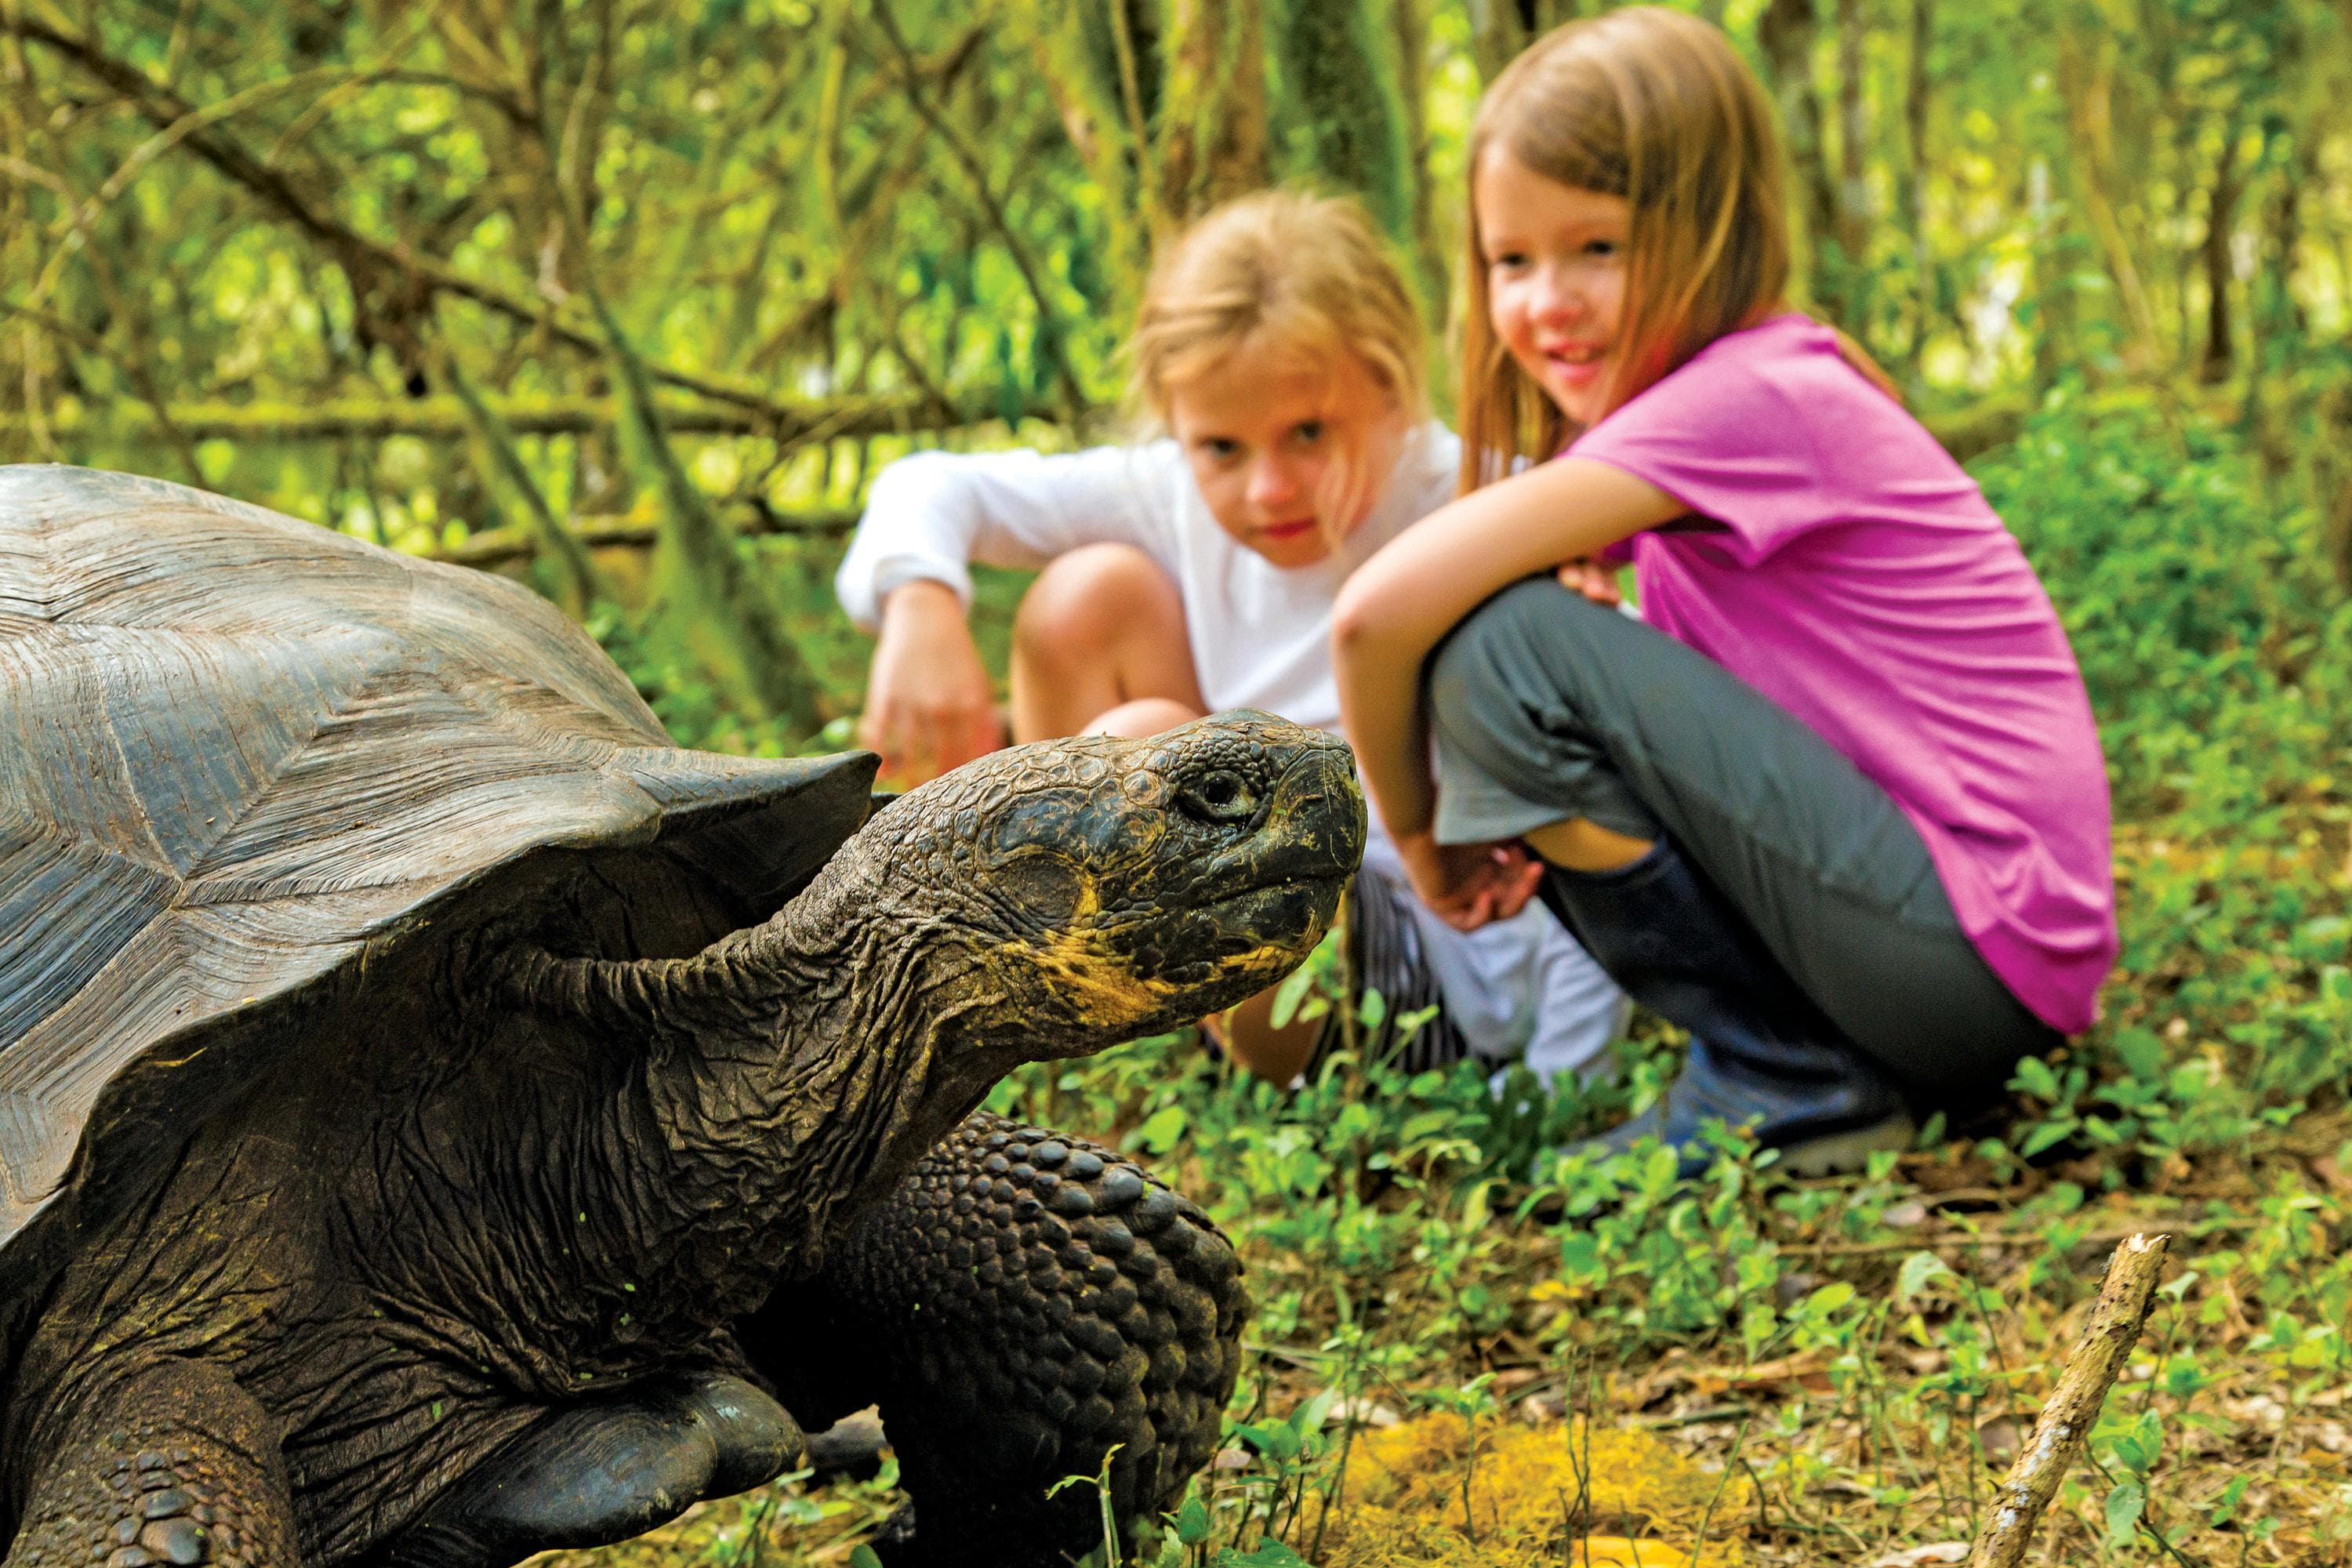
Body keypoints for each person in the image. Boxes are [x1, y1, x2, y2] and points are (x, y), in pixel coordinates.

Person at [1331, 8, 2117, 1177]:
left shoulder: (1748, 398)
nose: (1547, 302)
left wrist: (1418, 837)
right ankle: (1802, 1066)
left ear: (1712, 232)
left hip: (1973, 950)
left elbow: (1374, 616)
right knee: (1523, 630)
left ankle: (1787, 1081)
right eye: (1512, 260)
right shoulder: (1747, 392)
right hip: (1971, 958)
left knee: (1498, 651)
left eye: (1598, 248)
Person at [837, 190, 1626, 1090]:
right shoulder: (1177, 492)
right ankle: (1098, 1010)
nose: (1268, 490)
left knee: (1162, 754)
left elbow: (1606, 777)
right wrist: (921, 601)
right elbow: (934, 485)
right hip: (1236, 908)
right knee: (1085, 599)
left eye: (1309, 432)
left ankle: (1244, 1054)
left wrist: (1567, 1083)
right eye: (1221, 448)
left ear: (1389, 384)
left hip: (1425, 976)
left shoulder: (1483, 504)